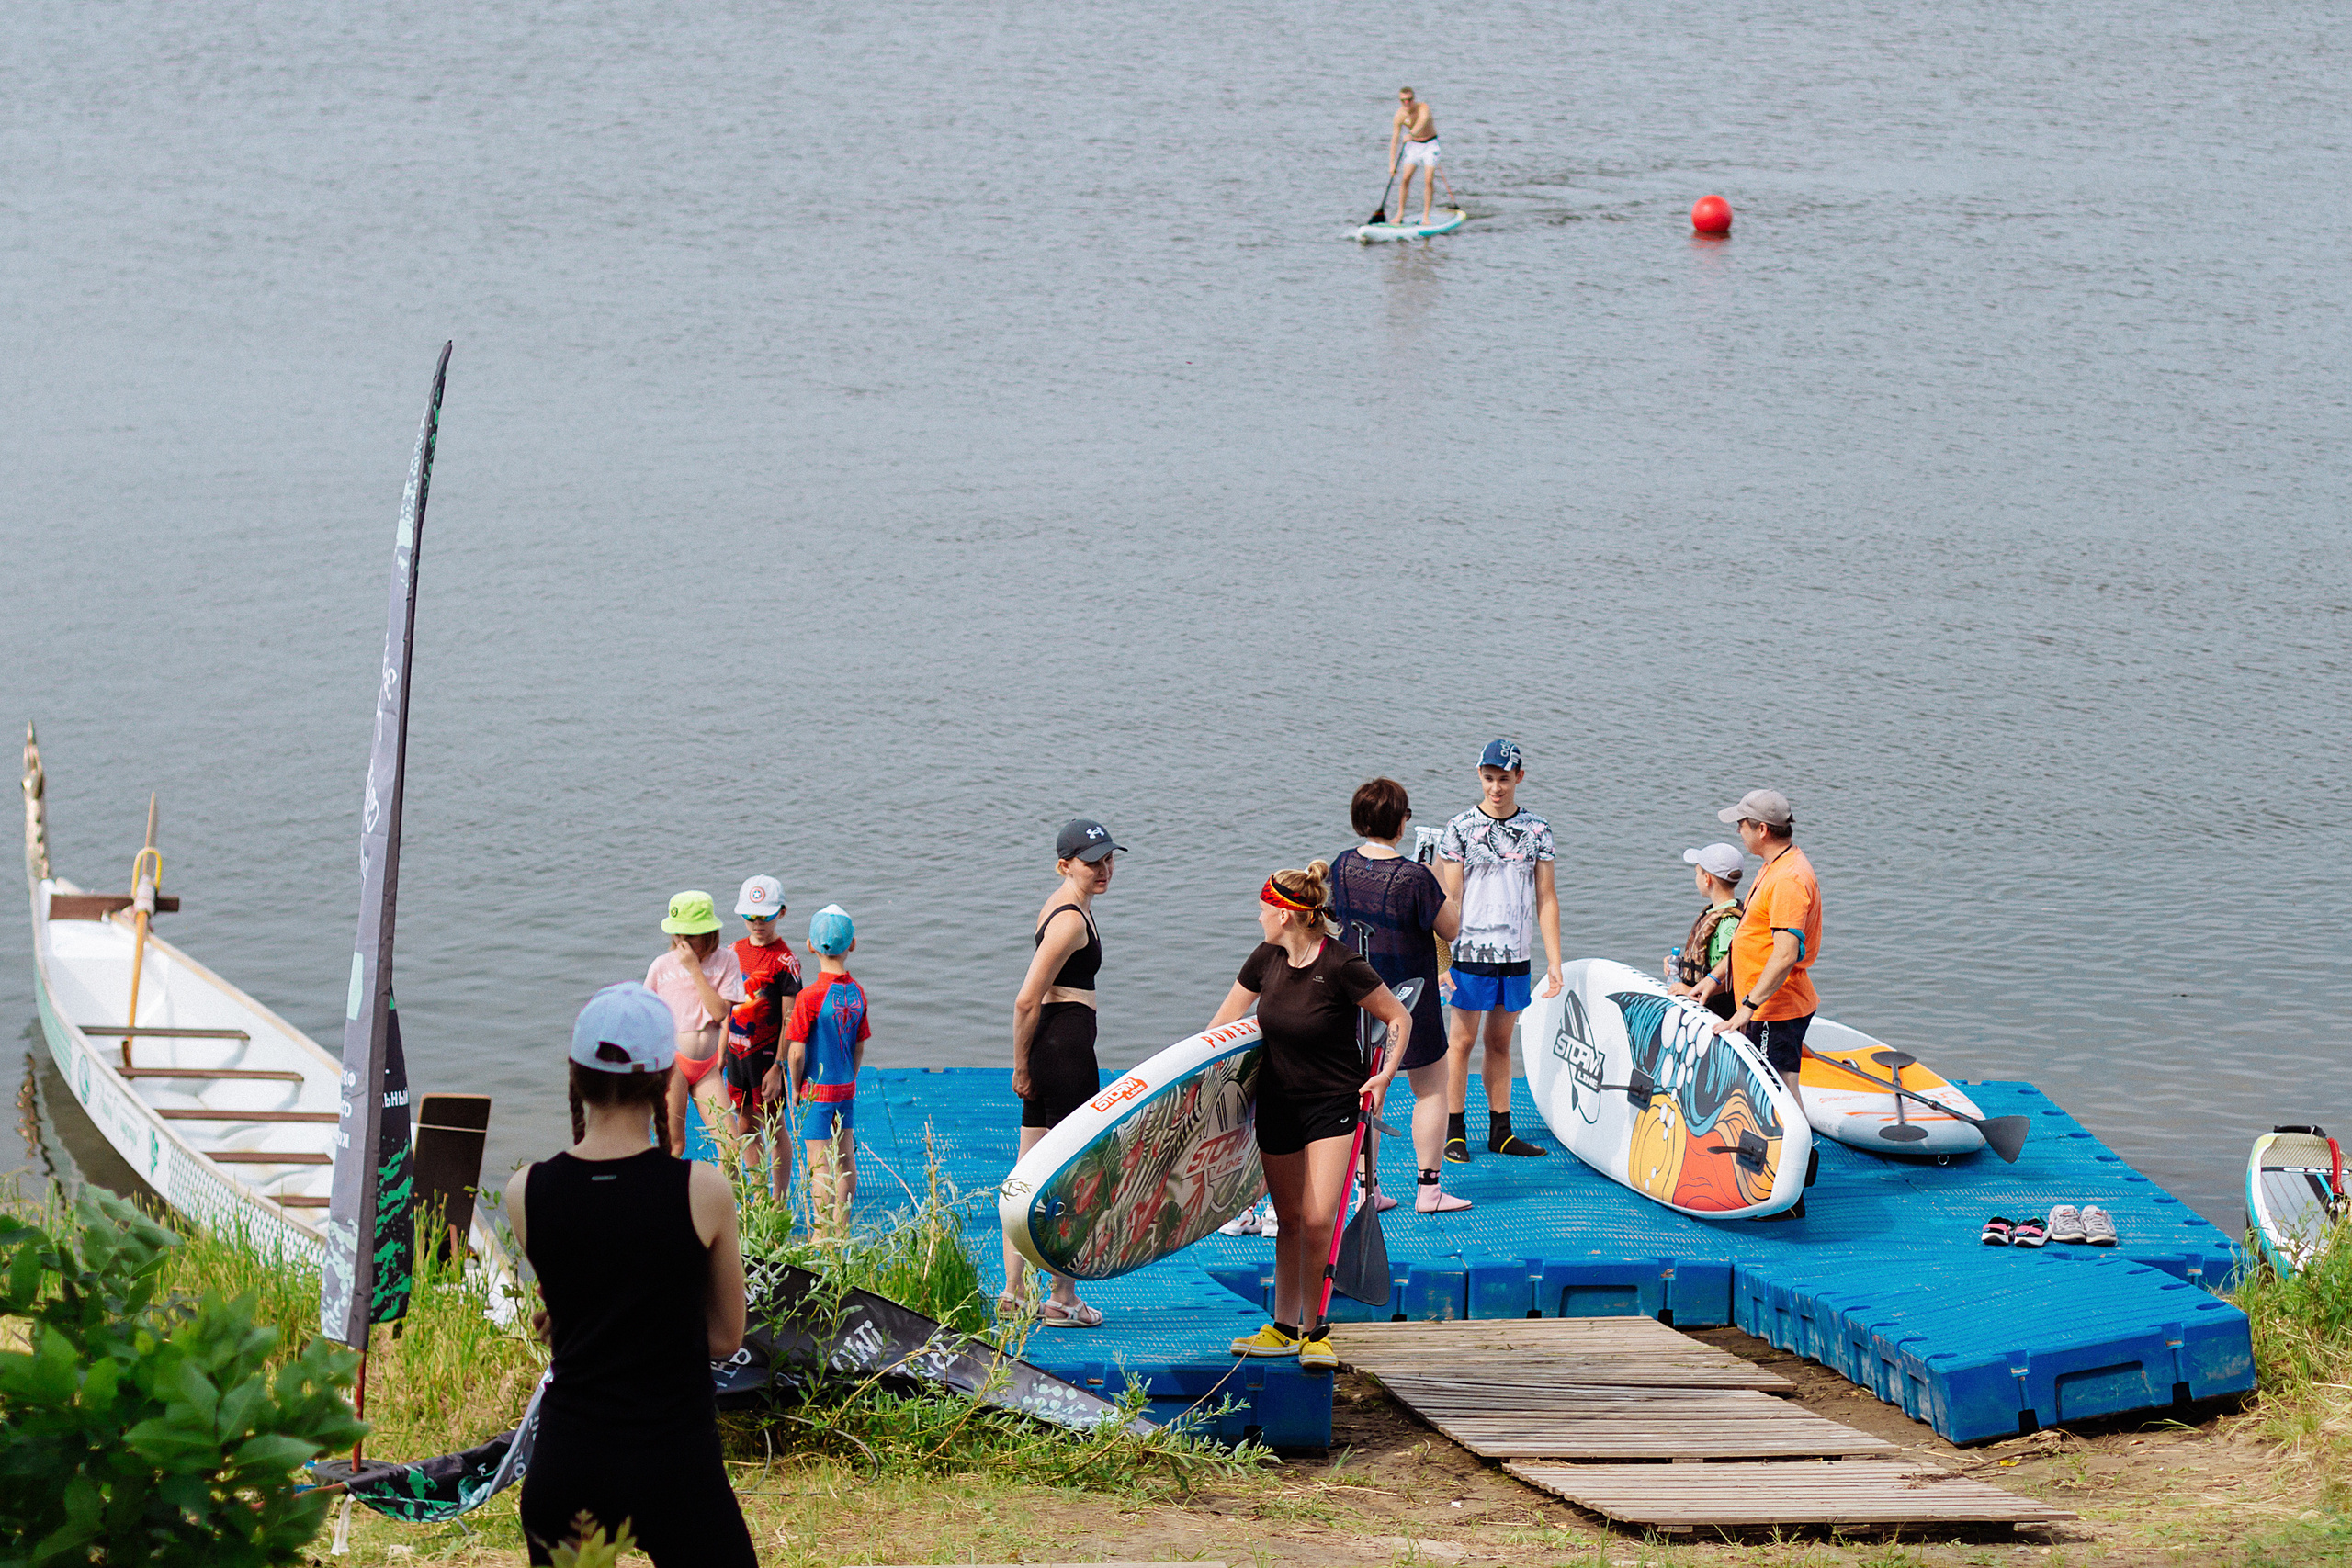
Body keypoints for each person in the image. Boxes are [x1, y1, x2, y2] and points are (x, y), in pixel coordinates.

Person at [506, 982, 754, 1567]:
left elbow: (584, 1290)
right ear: (666, 1077)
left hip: (567, 1463)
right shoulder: (702, 1190)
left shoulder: (528, 1192)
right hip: (672, 1463)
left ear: (575, 1073)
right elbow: (724, 1338)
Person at [1210, 863, 1411, 1372]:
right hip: (1276, 1103)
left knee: (1320, 1218)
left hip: (1333, 1104)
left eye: (1262, 910)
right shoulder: (1266, 959)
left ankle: (1315, 1330)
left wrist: (1384, 1076)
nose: (1258, 918)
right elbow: (1220, 1024)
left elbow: (1398, 1017)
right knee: (1291, 1220)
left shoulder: (1342, 965)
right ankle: (1281, 1327)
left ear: (1283, 914)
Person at [1328, 777, 1470, 1214]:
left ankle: (1366, 1191)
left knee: (1367, 1091)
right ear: (1402, 823)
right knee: (1430, 1090)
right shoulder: (1414, 876)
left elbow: (1335, 918)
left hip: (1355, 995)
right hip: (1411, 996)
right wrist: (1440, 881)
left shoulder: (1342, 865)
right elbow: (1450, 929)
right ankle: (1428, 1190)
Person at [1003, 818, 1122, 1327]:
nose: (1103, 870)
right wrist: (1020, 1063)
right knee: (1077, 1179)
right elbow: (1027, 998)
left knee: (1027, 1174)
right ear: (1064, 864)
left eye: (1108, 859)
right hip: (1064, 1050)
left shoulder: (1062, 905)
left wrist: (1029, 1061)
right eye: (1092, 862)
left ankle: (1012, 1292)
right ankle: (1061, 1298)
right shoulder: (1070, 920)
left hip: (1053, 1045)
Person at [1433, 739, 1562, 1163]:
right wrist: (1442, 961)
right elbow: (1448, 899)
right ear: (1479, 776)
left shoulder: (1538, 830)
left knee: (1501, 1043)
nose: (1496, 788)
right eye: (1489, 779)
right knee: (1462, 1041)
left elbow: (1546, 898)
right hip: (1469, 952)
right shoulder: (1459, 828)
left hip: (1516, 955)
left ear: (1519, 778)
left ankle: (1501, 1131)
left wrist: (1554, 961)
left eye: (1504, 779)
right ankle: (1454, 1131)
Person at [1707, 788, 1823, 1079]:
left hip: (1775, 1009)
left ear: (1761, 829)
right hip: (1763, 1005)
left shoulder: (1788, 879)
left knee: (1778, 1089)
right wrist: (1714, 978)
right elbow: (1751, 936)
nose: (1737, 830)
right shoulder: (1774, 865)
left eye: (1741, 824)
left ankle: (1789, 1127)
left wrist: (1748, 1008)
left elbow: (1784, 955)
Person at [782, 904, 869, 1243]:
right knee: (845, 1155)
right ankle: (842, 1226)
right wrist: (853, 1075)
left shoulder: (809, 997)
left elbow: (797, 1051)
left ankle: (820, 1232)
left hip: (817, 1090)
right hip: (845, 1085)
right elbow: (860, 1044)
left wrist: (796, 1085)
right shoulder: (857, 992)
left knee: (819, 1161)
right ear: (853, 945)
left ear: (809, 945)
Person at [645, 891, 745, 1158]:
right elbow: (646, 1017)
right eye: (678, 935)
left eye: (690, 936)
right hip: (674, 1063)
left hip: (707, 1067)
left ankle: (725, 1199)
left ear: (709, 933)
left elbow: (719, 1013)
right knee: (674, 1145)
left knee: (732, 1146)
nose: (683, 943)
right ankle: (668, 1199)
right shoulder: (661, 966)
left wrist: (694, 970)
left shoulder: (726, 960)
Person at [725, 875, 803, 1195]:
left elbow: (790, 1018)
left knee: (774, 1126)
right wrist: (719, 1053)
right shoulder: (732, 952)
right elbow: (728, 1006)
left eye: (766, 917)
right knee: (745, 1125)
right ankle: (758, 1194)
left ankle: (778, 1197)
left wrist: (778, 1067)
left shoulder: (786, 961)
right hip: (737, 1054)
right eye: (751, 917)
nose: (758, 924)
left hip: (768, 1059)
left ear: (781, 913)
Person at [1666, 843, 1745, 1021]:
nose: (1696, 879)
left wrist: (1692, 992)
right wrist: (1678, 966)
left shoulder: (1728, 924)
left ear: (1707, 879)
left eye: (1697, 873)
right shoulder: (1718, 911)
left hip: (1716, 1014)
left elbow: (1731, 973)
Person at [1386, 86, 1447, 227]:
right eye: (1403, 101)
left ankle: (1426, 217)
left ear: (1414, 99)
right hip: (1414, 146)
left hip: (1430, 144)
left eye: (1409, 100)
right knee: (1405, 178)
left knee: (1428, 179)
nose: (1407, 103)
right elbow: (1394, 140)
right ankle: (1400, 214)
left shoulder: (1423, 108)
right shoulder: (1399, 115)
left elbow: (1422, 123)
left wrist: (1412, 134)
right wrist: (1392, 164)